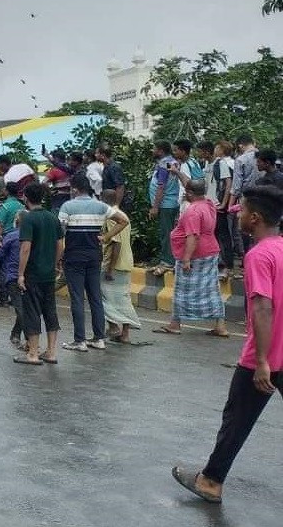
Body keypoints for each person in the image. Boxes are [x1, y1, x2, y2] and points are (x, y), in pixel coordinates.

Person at [172, 184, 283, 504]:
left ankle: (210, 481)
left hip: (263, 357)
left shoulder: (259, 254)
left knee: (236, 420)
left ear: (256, 218)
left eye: (243, 211)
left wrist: (262, 360)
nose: (238, 216)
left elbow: (262, 306)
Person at [59, 174, 127, 352]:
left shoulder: (68, 206)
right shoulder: (101, 206)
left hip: (74, 256)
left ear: (74, 188)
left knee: (77, 299)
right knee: (95, 298)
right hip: (94, 255)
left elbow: (60, 231)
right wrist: (106, 237)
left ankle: (79, 340)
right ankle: (99, 338)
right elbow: (123, 221)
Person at [152, 180, 228, 337]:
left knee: (182, 290)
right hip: (211, 251)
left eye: (187, 191)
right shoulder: (208, 204)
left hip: (195, 255)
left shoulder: (193, 211)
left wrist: (186, 259)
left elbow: (193, 236)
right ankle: (220, 325)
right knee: (212, 288)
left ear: (190, 193)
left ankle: (175, 324)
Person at [13, 182, 64, 366]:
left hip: (33, 273)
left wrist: (20, 274)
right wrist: (55, 263)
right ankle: (51, 352)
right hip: (48, 273)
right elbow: (60, 245)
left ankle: (33, 353)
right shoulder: (52, 217)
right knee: (50, 310)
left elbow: (25, 248)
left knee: (32, 312)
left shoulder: (28, 219)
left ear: (26, 198)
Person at [99, 190, 140, 343]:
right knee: (123, 299)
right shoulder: (122, 214)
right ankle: (125, 334)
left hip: (114, 263)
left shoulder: (111, 216)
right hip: (126, 261)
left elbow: (116, 243)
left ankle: (113, 327)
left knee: (105, 298)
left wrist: (109, 268)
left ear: (102, 200)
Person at [149, 141, 182, 276]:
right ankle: (169, 260)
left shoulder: (164, 164)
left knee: (166, 233)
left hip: (166, 204)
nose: (152, 150)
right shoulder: (171, 162)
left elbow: (161, 186)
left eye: (154, 148)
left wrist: (155, 207)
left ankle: (168, 261)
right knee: (170, 232)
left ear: (161, 151)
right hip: (171, 202)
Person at [0, 211, 26, 348]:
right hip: (25, 277)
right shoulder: (31, 237)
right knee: (24, 309)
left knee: (22, 310)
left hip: (13, 277)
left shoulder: (11, 236)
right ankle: (20, 335)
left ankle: (19, 335)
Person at [207, 141, 236, 279]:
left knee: (222, 235)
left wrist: (224, 203)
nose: (215, 149)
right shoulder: (210, 164)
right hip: (211, 205)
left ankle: (227, 265)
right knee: (215, 234)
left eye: (217, 147)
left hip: (219, 205)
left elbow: (228, 183)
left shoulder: (224, 163)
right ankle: (219, 263)